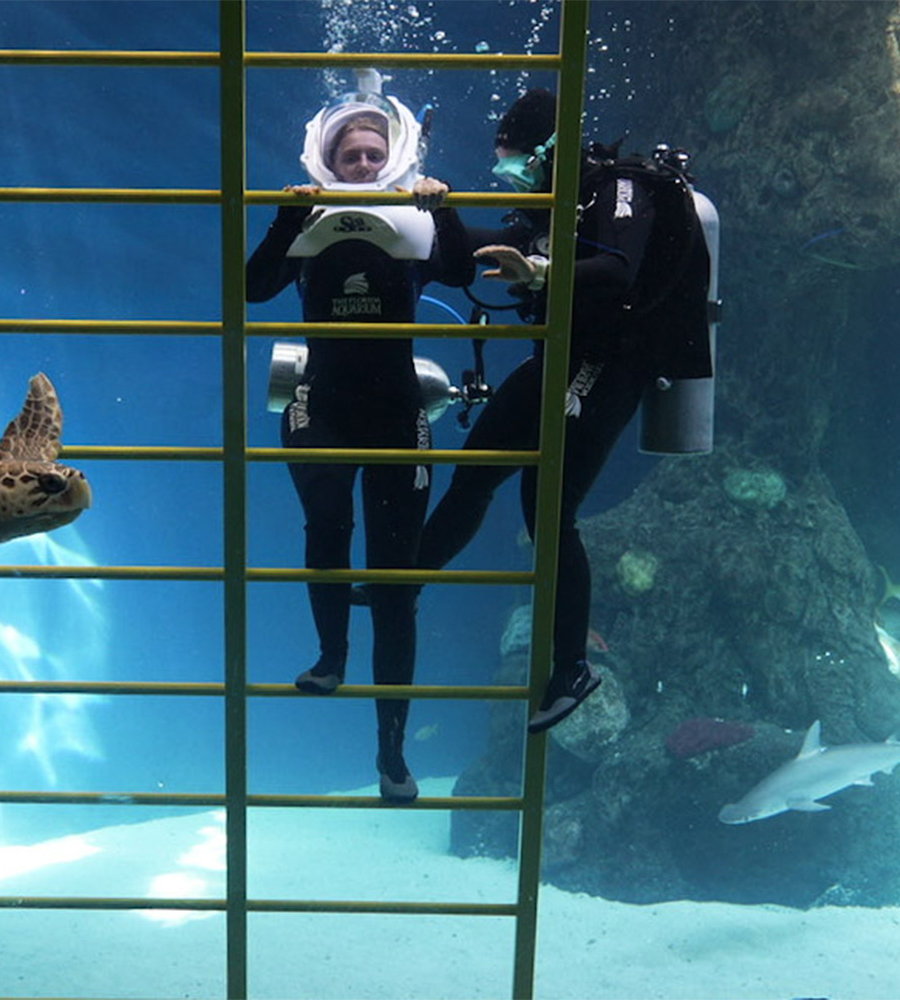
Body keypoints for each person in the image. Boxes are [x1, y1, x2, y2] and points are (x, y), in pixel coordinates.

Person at [407, 88, 712, 733]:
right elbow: (475, 257)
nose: (510, 175)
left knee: (547, 509)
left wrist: (542, 271)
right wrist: (442, 212)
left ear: (549, 149)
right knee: (475, 471)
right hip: (561, 356)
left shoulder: (618, 191)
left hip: (612, 361)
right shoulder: (553, 204)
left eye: (515, 160)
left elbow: (616, 270)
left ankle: (570, 666)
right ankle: (404, 582)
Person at [247, 74, 474, 803]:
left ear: (395, 154)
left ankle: (392, 753)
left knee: (396, 581)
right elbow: (252, 287)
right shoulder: (308, 225)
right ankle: (330, 655)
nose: (367, 164)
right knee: (327, 516)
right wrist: (287, 218)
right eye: (354, 156)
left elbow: (465, 272)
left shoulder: (414, 217)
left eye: (377, 153)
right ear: (329, 160)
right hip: (323, 402)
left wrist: (448, 209)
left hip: (396, 406)